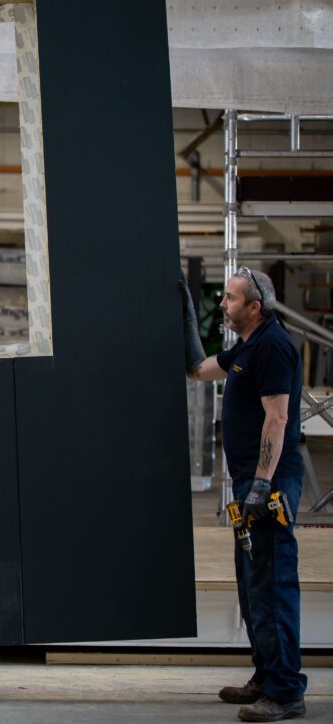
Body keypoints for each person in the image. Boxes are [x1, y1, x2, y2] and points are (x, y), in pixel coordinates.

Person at [188, 267, 307, 722]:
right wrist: (184, 321)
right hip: (250, 483)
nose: (223, 304)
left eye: (231, 298)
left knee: (272, 584)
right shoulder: (246, 347)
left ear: (255, 307)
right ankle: (266, 675)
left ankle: (286, 691)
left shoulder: (273, 347)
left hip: (268, 484)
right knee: (253, 582)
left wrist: (261, 483)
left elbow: (277, 420)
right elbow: (199, 369)